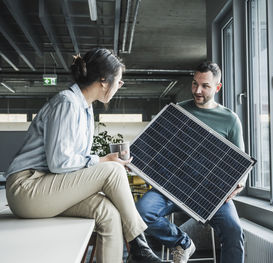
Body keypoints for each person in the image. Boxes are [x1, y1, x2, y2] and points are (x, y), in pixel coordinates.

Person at [4, 48, 161, 263]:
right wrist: (103, 161)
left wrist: (101, 163)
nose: (119, 87)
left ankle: (136, 249)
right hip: (28, 188)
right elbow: (60, 162)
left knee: (108, 213)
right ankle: (139, 245)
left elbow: (72, 161)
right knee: (113, 170)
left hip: (46, 185)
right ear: (104, 81)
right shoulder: (67, 103)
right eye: (119, 82)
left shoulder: (84, 108)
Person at [131, 61, 247, 263]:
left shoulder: (230, 120)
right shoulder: (176, 112)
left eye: (205, 86)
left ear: (217, 87)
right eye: (194, 84)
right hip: (171, 187)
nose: (197, 90)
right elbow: (156, 150)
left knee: (234, 230)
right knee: (140, 214)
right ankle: (182, 243)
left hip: (211, 192)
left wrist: (241, 182)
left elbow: (241, 163)